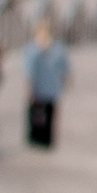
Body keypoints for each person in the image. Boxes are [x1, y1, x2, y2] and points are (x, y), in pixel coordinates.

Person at [25, 19, 70, 150]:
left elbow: (29, 72)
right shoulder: (58, 47)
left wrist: (29, 89)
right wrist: (64, 83)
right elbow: (64, 68)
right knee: (50, 114)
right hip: (53, 87)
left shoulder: (32, 49)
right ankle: (48, 139)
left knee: (36, 115)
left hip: (38, 88)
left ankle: (36, 138)